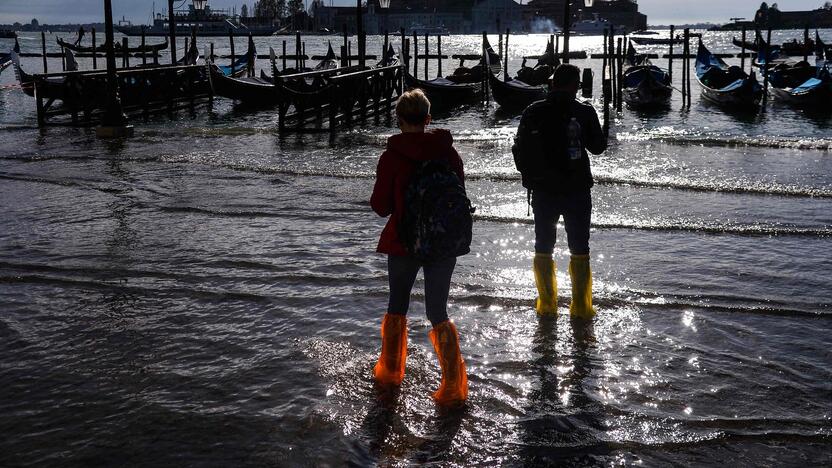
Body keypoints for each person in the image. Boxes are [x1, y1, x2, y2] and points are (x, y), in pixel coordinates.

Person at [370, 89, 468, 406]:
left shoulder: (392, 156)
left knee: (397, 307)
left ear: (399, 120)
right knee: (438, 311)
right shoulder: (448, 154)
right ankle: (453, 385)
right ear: (428, 119)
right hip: (442, 243)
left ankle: (390, 373)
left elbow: (381, 207)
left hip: (403, 241)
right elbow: (458, 196)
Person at [512, 64, 607, 320]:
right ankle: (581, 308)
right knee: (579, 247)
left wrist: (529, 178)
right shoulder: (583, 111)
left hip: (543, 190)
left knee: (543, 246)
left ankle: (547, 305)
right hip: (576, 189)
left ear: (552, 84)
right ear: (576, 84)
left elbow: (518, 150)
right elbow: (598, 147)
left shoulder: (533, 111)